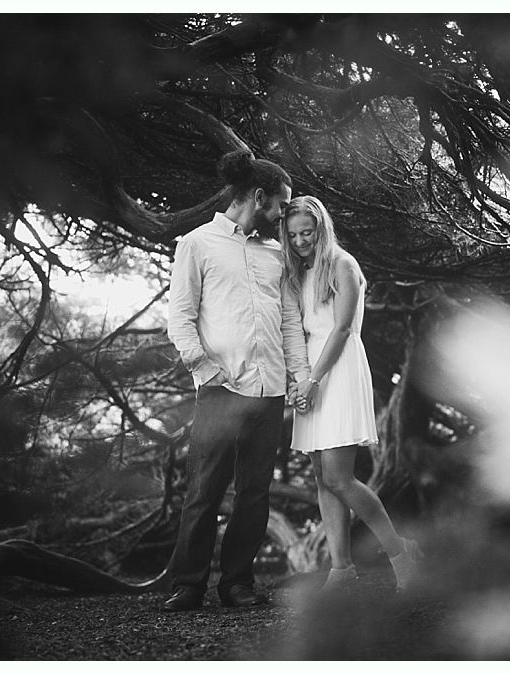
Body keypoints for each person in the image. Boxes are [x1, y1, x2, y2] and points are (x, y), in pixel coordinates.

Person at [163, 150, 310, 612]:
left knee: (254, 492)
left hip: (268, 392)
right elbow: (180, 319)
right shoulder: (197, 244)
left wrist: (297, 375)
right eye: (281, 207)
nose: (285, 217)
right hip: (219, 390)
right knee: (204, 490)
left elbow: (289, 321)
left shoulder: (275, 256)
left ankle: (237, 584)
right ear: (259, 197)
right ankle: (187, 584)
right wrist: (204, 370)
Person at [280, 195, 422, 593]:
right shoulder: (301, 273)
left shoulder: (343, 264)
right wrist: (300, 377)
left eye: (307, 232)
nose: (300, 241)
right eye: (292, 235)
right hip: (311, 370)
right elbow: (300, 331)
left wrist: (313, 380)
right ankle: (341, 570)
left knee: (340, 478)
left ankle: (399, 552)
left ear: (322, 228)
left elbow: (342, 330)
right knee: (322, 479)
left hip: (338, 371)